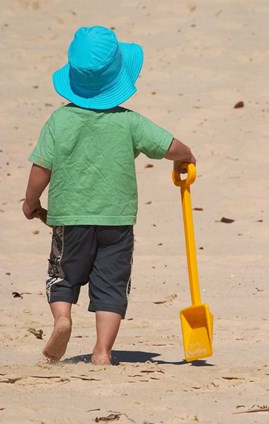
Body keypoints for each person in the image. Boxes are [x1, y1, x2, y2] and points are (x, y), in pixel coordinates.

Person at [23, 26, 196, 365]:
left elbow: (40, 168)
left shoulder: (59, 120)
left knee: (63, 276)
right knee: (112, 285)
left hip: (70, 220)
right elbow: (170, 146)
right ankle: (102, 351)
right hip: (116, 221)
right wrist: (188, 156)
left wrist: (31, 204)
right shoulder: (130, 122)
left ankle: (62, 318)